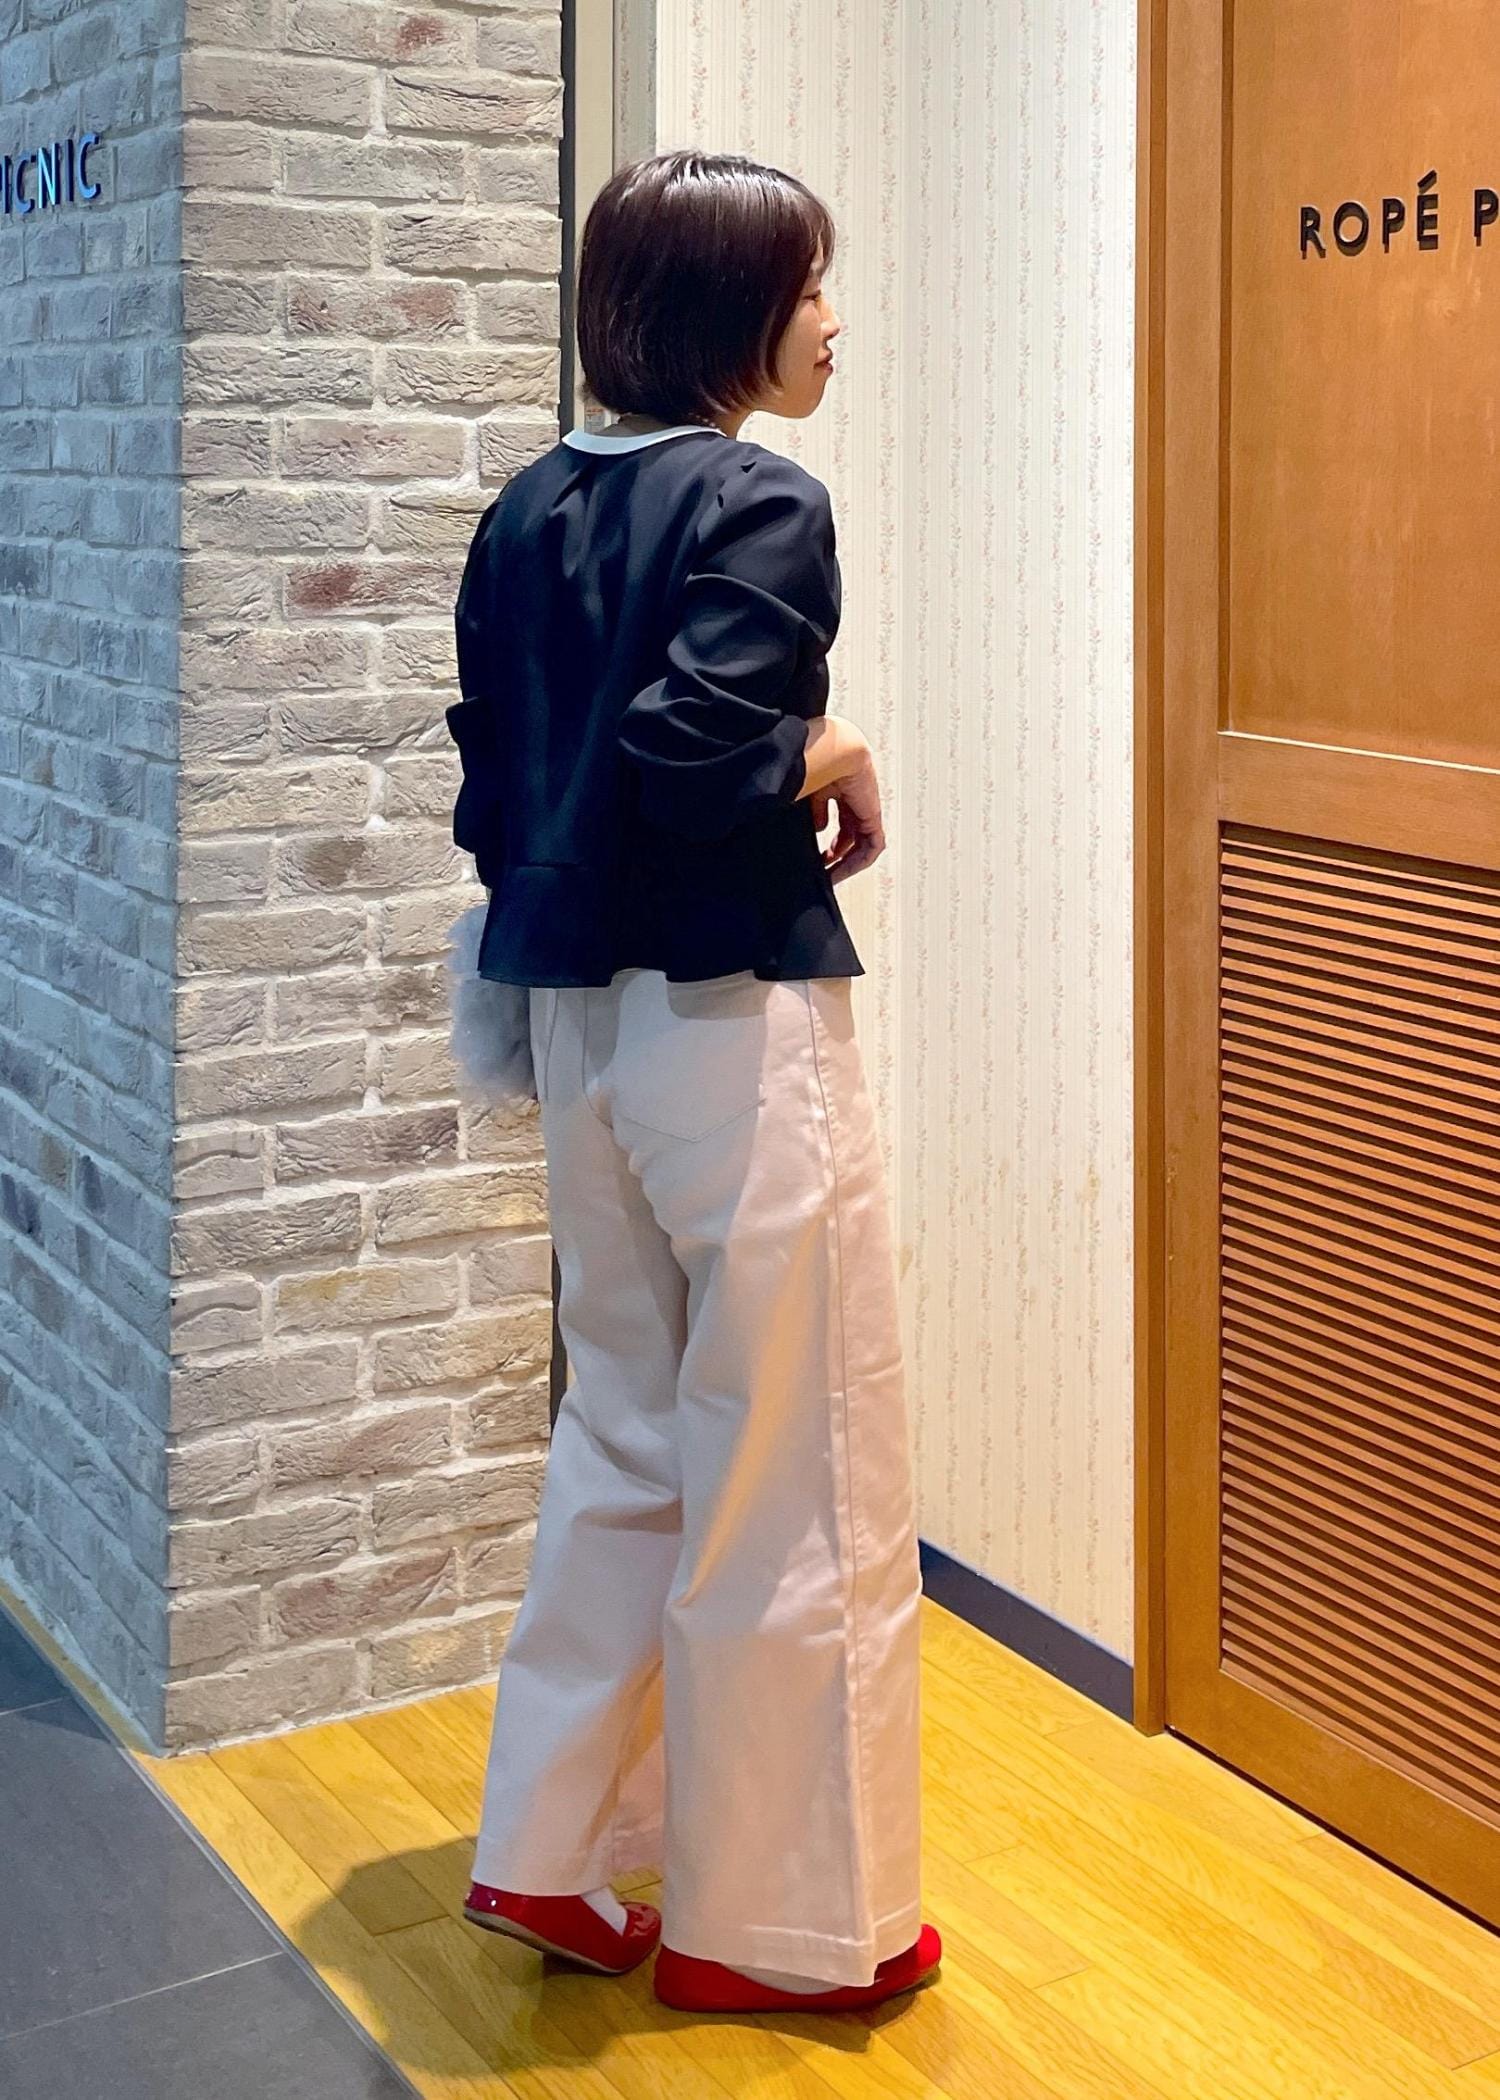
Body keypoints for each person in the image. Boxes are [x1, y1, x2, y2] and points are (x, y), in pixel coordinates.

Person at [446, 146, 939, 2016]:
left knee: (627, 1433)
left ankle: (545, 1851)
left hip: (578, 1028)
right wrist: (832, 744)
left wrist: (789, 743)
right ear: (730, 305)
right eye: (807, 286)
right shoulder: (760, 496)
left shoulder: (526, 506)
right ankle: (779, 1933)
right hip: (731, 1028)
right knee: (795, 1466)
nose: (833, 320)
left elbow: (504, 787)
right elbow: (697, 758)